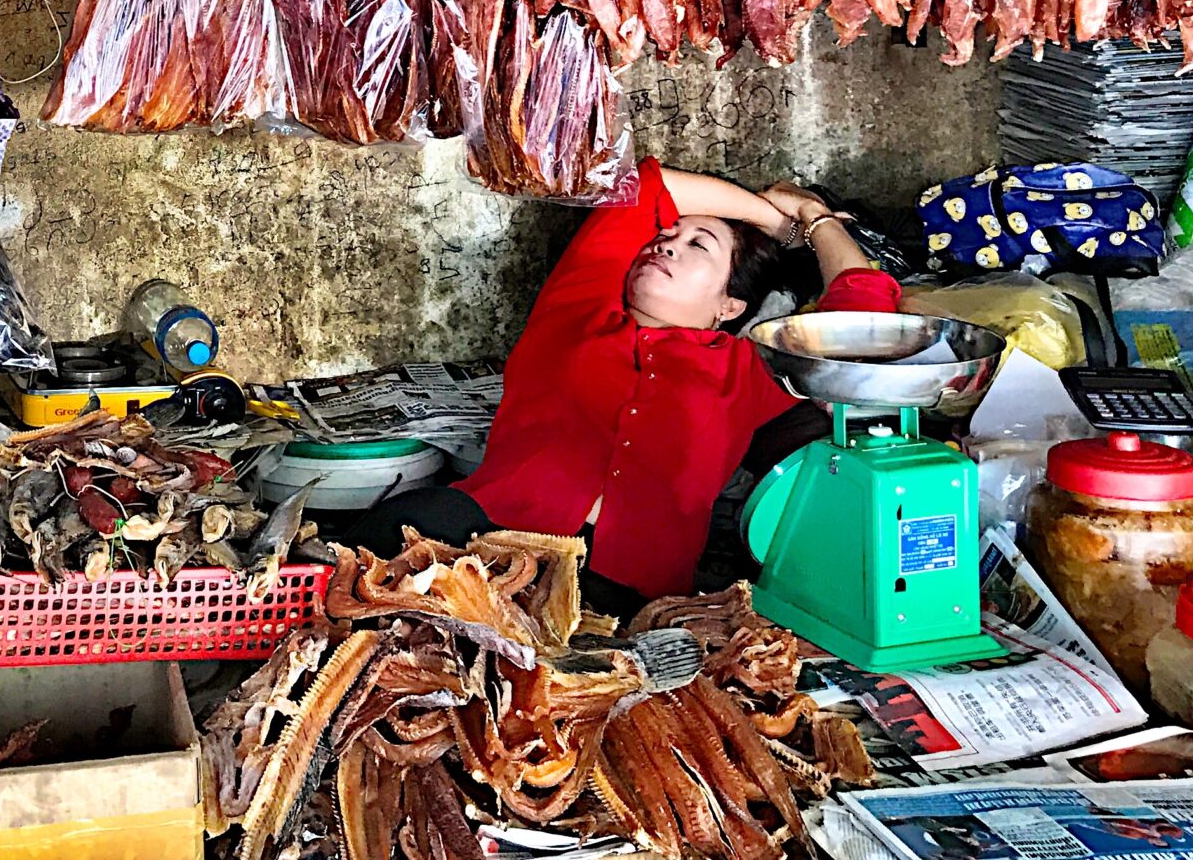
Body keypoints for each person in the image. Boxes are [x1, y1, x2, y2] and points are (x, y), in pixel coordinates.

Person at [336, 159, 898, 612]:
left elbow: (863, 318)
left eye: (698, 245)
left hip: (626, 598)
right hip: (481, 543)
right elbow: (638, 187)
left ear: (731, 305)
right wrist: (778, 220)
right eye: (664, 236)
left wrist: (818, 221)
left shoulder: (748, 372)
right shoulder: (575, 314)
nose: (665, 244)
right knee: (412, 528)